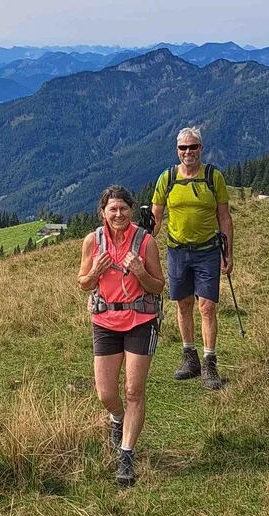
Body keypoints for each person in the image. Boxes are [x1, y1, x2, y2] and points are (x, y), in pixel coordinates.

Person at [77, 185, 165, 486]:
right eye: (112, 209)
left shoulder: (145, 241)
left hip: (141, 319)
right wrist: (95, 273)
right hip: (105, 321)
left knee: (133, 391)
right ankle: (117, 417)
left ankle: (126, 456)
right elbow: (83, 282)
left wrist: (140, 272)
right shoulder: (93, 241)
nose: (118, 214)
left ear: (131, 210)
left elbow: (158, 286)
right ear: (103, 212)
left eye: (123, 209)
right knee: (105, 393)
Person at [151, 127, 234, 390]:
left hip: (208, 250)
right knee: (183, 304)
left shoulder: (213, 177)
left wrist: (228, 253)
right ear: (177, 150)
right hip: (177, 251)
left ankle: (210, 362)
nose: (188, 152)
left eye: (193, 147)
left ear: (201, 148)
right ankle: (190, 358)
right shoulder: (167, 178)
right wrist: (142, 248)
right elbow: (155, 218)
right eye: (183, 148)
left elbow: (224, 217)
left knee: (207, 306)